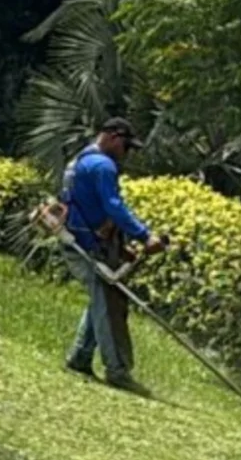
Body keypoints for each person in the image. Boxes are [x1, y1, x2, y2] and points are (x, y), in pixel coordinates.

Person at [60, 116, 165, 390]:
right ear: (114, 136)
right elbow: (113, 206)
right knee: (108, 305)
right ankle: (117, 370)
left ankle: (80, 357)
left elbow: (92, 206)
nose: (126, 153)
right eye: (126, 146)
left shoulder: (81, 159)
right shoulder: (103, 165)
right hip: (88, 245)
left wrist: (119, 244)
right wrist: (145, 236)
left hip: (79, 239)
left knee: (103, 298)